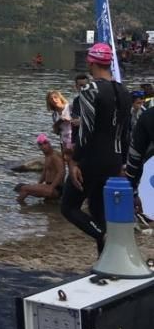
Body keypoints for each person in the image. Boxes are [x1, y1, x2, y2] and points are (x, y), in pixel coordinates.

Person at [61, 43, 131, 253]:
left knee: (69, 207)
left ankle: (103, 234)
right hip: (115, 160)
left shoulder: (90, 90)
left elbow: (86, 131)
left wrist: (74, 161)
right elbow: (126, 132)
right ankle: (106, 260)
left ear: (91, 62)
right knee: (98, 210)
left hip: (92, 159)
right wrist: (123, 163)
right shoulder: (124, 91)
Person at [15, 134, 65, 203]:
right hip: (49, 186)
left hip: (56, 189)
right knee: (20, 187)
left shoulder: (55, 156)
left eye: (45, 143)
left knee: (24, 189)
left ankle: (17, 208)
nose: (43, 146)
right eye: (40, 144)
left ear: (49, 143)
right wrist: (38, 184)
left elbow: (61, 172)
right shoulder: (47, 156)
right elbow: (44, 172)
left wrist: (51, 187)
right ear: (39, 146)